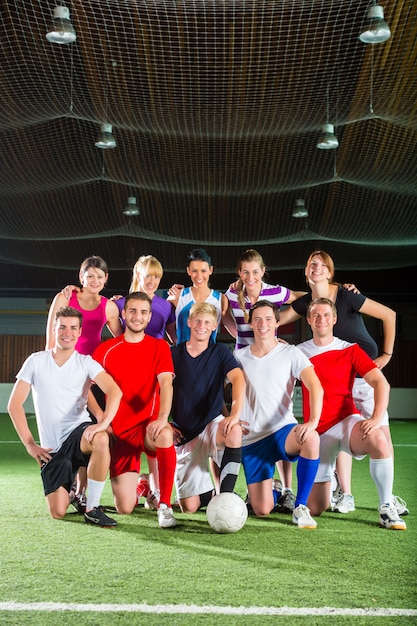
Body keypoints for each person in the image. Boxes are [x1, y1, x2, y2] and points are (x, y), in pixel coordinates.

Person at [278, 249, 408, 516]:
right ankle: (344, 492)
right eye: (311, 264)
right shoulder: (307, 305)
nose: (316, 268)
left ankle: (387, 499)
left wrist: (386, 354)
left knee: (379, 436)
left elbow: (389, 316)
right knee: (335, 432)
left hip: (363, 375)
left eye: (322, 265)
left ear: (330, 272)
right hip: (335, 381)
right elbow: (271, 320)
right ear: (305, 272)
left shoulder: (347, 295)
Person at [7, 306, 122, 527]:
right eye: (62, 327)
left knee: (100, 438)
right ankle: (71, 491)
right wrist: (30, 445)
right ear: (54, 329)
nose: (67, 332)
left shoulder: (85, 362)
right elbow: (14, 405)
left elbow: (115, 391)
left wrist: (103, 423)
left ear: (79, 332)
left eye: (73, 328)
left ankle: (92, 508)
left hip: (77, 434)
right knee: (58, 512)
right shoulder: (36, 361)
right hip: (52, 450)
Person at [297, 298, 406, 530]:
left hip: (346, 422)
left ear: (335, 319)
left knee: (378, 438)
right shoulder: (297, 352)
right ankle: (332, 480)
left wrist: (376, 418)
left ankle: (386, 506)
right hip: (318, 433)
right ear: (308, 320)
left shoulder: (349, 349)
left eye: (326, 315)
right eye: (315, 315)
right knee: (317, 507)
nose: (321, 319)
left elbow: (381, 383)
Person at [223, 248, 308, 511]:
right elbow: (225, 317)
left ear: (263, 272)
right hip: (246, 360)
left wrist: (275, 329)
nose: (250, 276)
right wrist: (239, 336)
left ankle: (288, 489)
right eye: (245, 272)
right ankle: (261, 488)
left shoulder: (275, 292)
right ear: (239, 273)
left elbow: (305, 299)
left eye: (255, 271)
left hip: (272, 352)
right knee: (253, 416)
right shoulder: (230, 294)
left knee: (279, 416)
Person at [234, 300, 324, 529]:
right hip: (252, 439)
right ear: (250, 323)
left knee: (311, 438)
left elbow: (315, 386)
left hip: (282, 431)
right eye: (257, 319)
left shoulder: (291, 353)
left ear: (276, 323)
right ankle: (273, 490)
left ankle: (300, 506)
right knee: (262, 510)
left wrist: (312, 422)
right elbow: (215, 389)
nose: (262, 324)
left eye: (268, 319)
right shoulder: (239, 357)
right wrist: (229, 416)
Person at [92, 291, 177, 529]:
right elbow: (84, 388)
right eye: (132, 311)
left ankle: (165, 506)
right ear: (123, 314)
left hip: (147, 427)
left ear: (149, 317)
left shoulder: (159, 347)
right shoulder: (106, 350)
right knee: (125, 507)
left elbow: (166, 384)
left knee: (165, 433)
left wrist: (162, 418)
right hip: (120, 433)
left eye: (143, 312)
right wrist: (101, 419)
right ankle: (142, 485)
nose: (137, 317)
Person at [46, 255, 123, 512]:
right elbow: (50, 340)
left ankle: (81, 494)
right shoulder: (65, 298)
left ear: (106, 280)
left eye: (99, 277)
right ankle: (65, 486)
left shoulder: (108, 307)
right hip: (67, 378)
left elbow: (122, 340)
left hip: (91, 376)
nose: (94, 281)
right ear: (81, 277)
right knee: (70, 433)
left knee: (91, 432)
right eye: (89, 276)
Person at [112, 254, 177, 509]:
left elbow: (173, 338)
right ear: (137, 274)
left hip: (155, 371)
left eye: (157, 276)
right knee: (128, 429)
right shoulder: (120, 304)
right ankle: (136, 483)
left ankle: (156, 491)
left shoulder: (165, 306)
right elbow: (118, 336)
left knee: (154, 429)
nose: (152, 280)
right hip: (129, 375)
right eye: (148, 275)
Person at [170, 303, 246, 513]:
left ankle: (226, 498)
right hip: (184, 434)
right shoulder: (174, 353)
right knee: (189, 507)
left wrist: (234, 415)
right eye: (197, 321)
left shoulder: (220, 352)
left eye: (207, 322)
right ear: (189, 322)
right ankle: (210, 494)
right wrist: (163, 421)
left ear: (214, 326)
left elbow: (238, 379)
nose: (201, 326)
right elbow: (159, 388)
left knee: (234, 430)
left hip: (211, 425)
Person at [168, 248, 229, 344]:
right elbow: (165, 325)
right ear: (188, 271)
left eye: (203, 271)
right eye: (194, 271)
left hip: (209, 357)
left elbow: (235, 330)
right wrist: (178, 344)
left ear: (211, 270)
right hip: (181, 357)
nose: (199, 276)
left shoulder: (221, 300)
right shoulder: (177, 296)